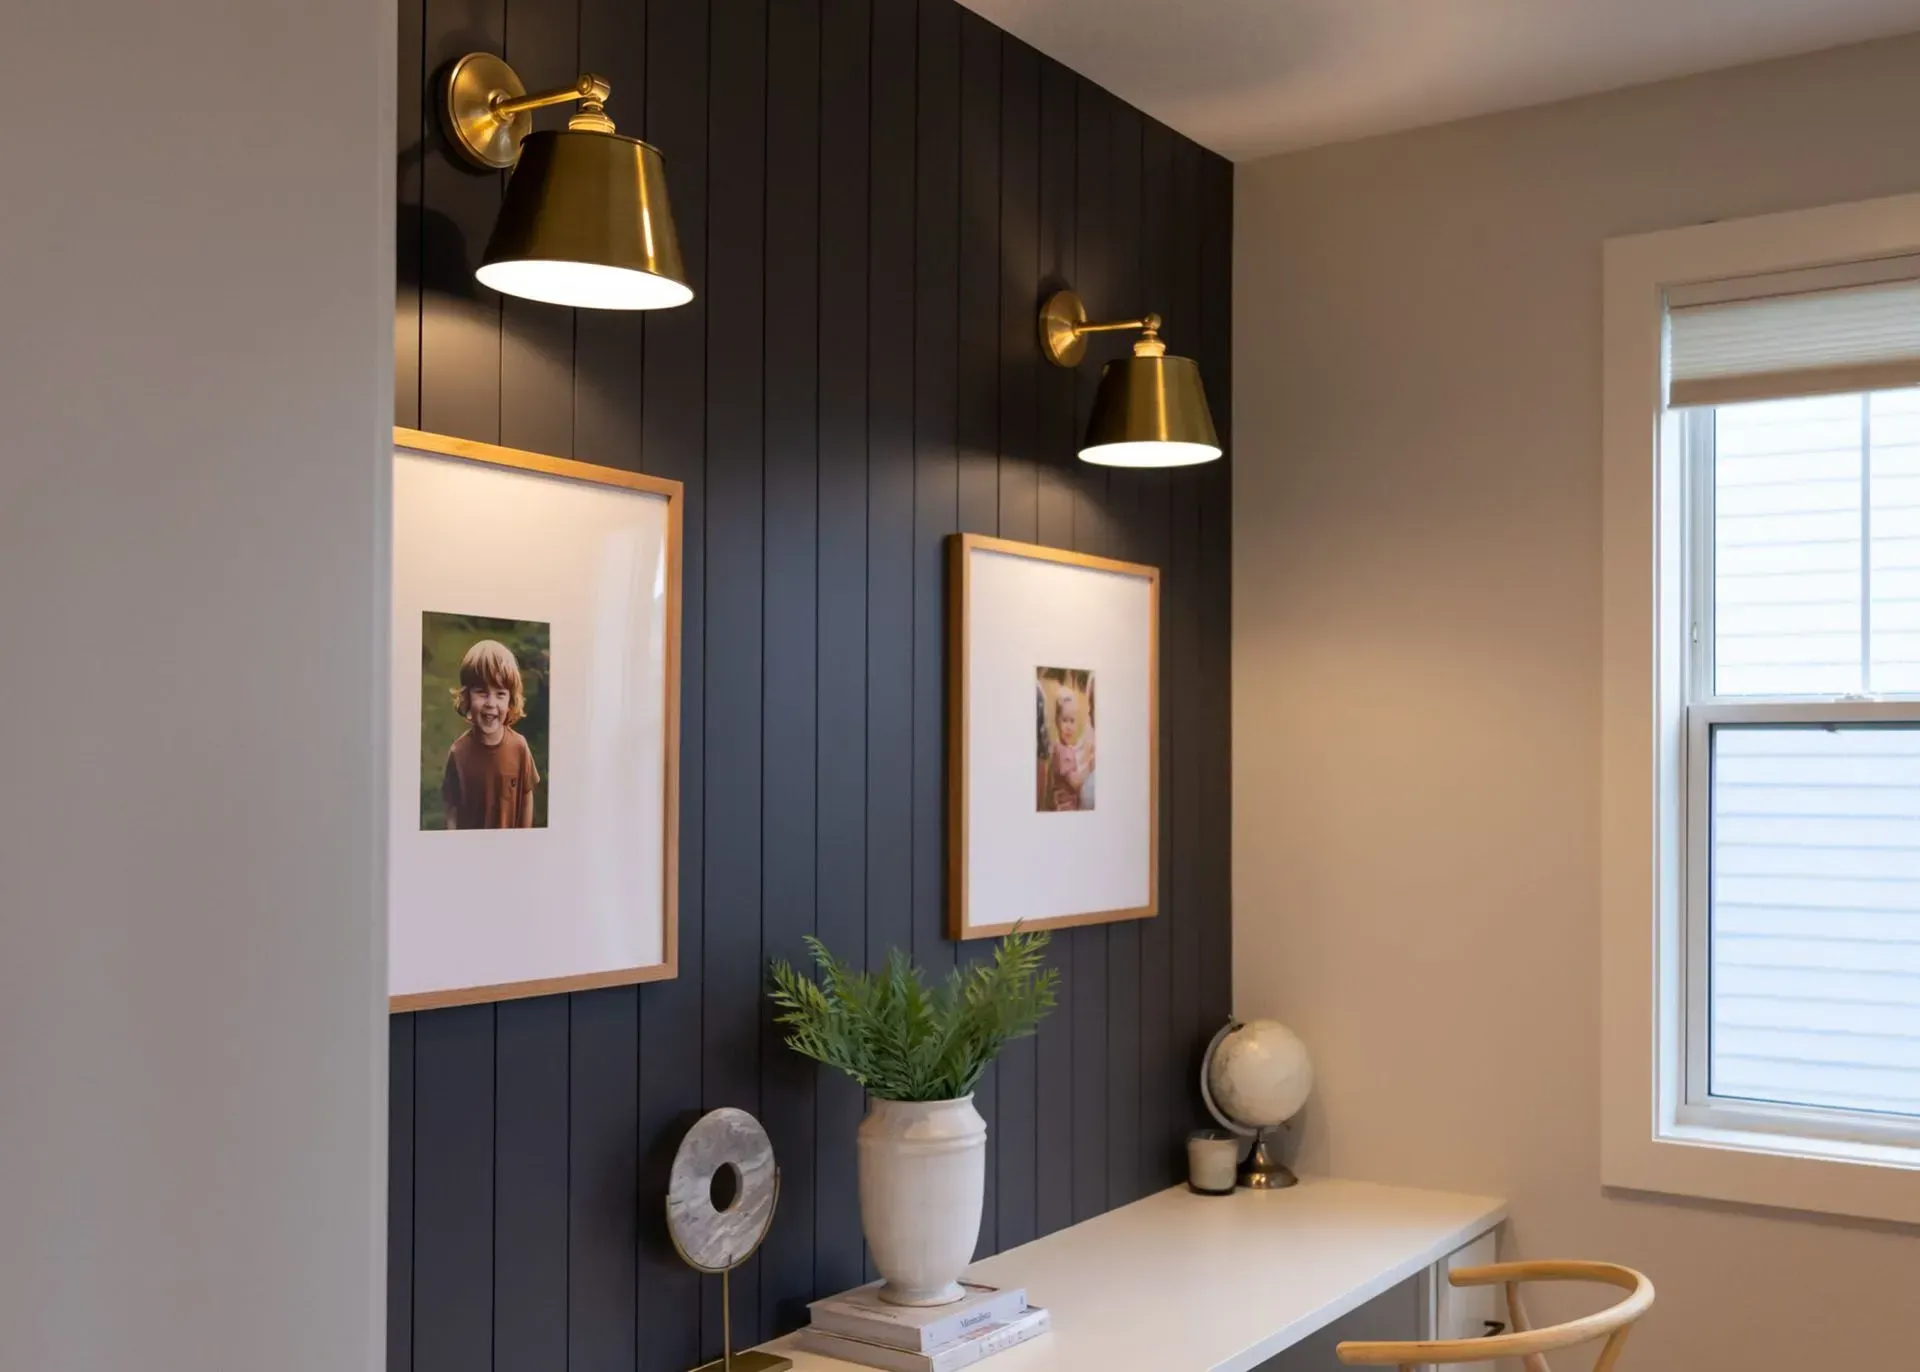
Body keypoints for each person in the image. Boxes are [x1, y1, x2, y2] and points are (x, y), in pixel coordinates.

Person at [441, 639, 540, 829]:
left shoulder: (519, 747)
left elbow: (526, 796)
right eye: (482, 692)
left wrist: (525, 838)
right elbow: (452, 809)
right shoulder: (458, 753)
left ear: (511, 700)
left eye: (500, 694)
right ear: (467, 696)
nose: (491, 703)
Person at [1047, 678, 1097, 812]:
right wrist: (1090, 767)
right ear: (1056, 721)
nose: (1069, 727)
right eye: (1064, 720)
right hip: (1066, 807)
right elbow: (1075, 783)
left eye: (1072, 721)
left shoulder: (1063, 747)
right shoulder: (1062, 752)